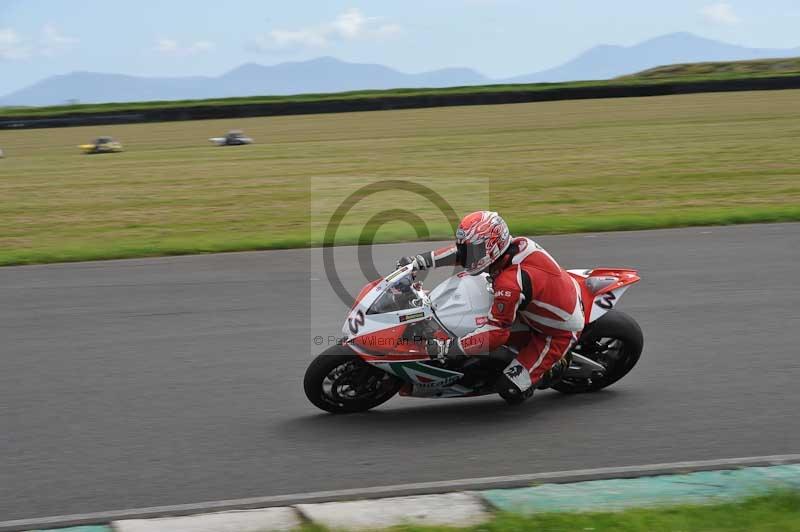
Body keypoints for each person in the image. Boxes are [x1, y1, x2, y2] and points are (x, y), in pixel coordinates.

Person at [397, 211, 584, 403]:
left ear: (492, 247)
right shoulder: (516, 245)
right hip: (542, 301)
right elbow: (461, 254)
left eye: (473, 249)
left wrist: (447, 347)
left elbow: (495, 334)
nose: (465, 254)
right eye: (466, 248)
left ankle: (558, 365)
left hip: (556, 331)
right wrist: (419, 262)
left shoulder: (509, 284)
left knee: (511, 389)